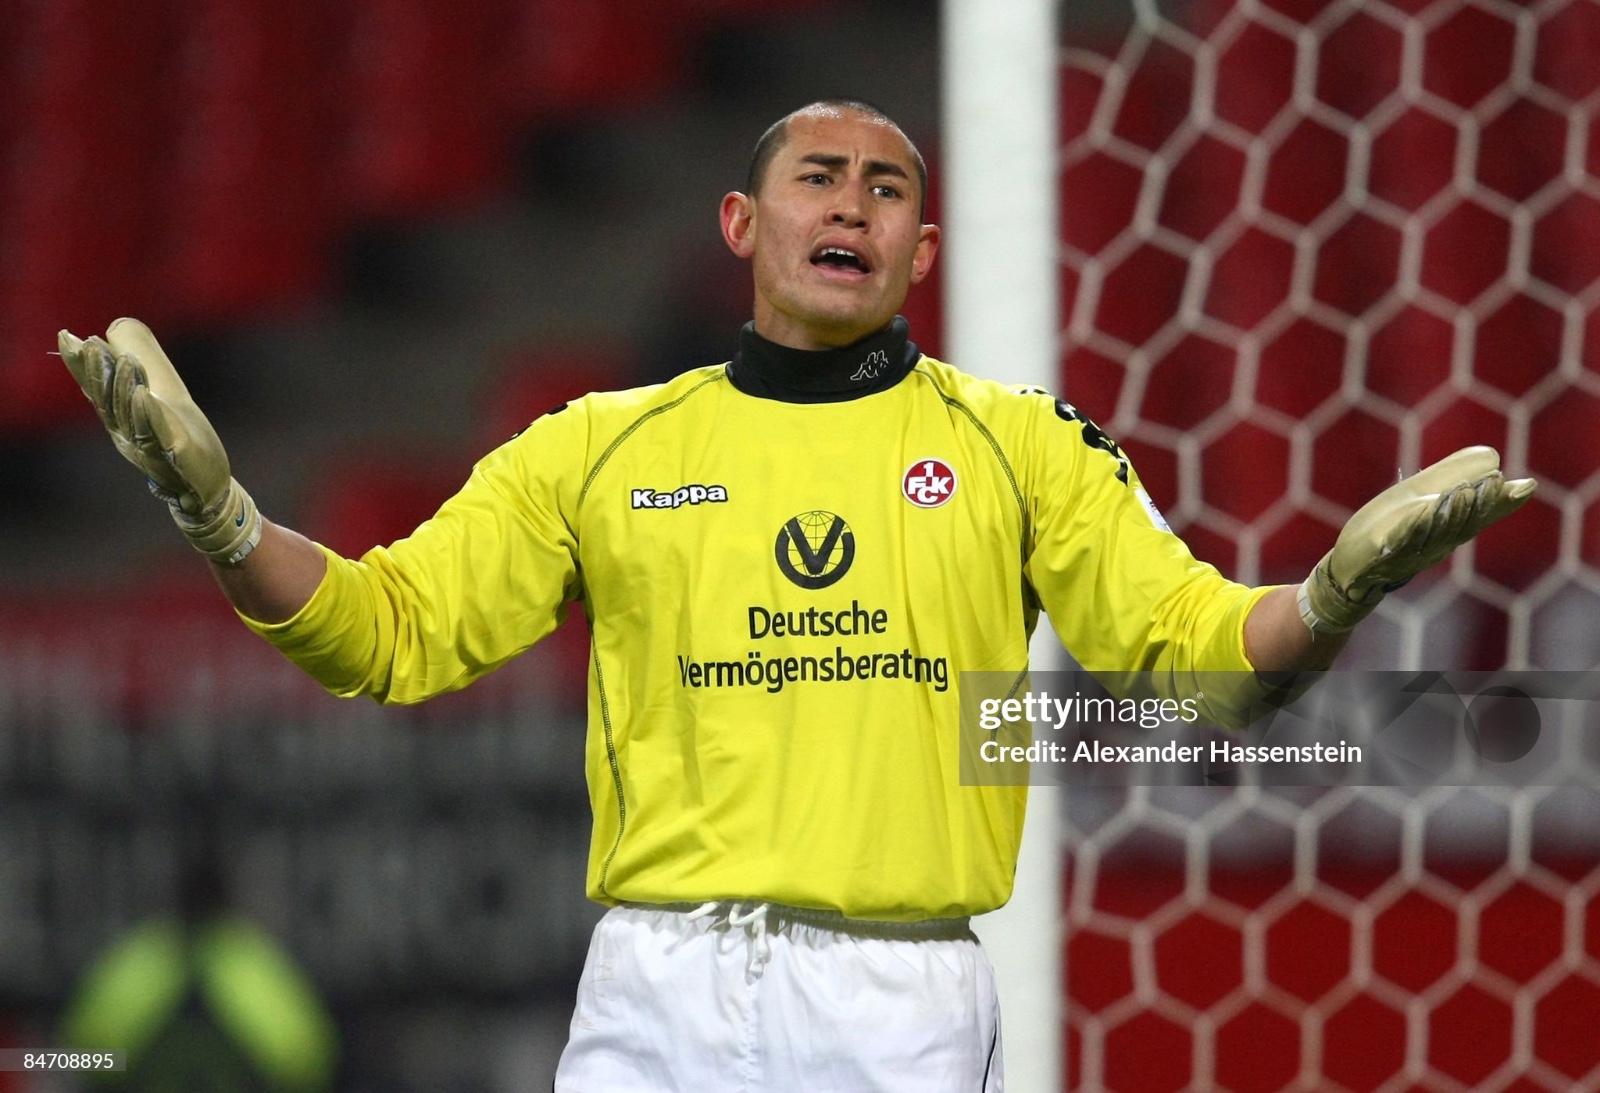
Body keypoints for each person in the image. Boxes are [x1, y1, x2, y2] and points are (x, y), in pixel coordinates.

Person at [57, 99, 1533, 1091]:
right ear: (739, 225)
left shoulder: (1023, 446)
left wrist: (1330, 595)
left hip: (898, 1010)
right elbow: (384, 636)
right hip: (653, 991)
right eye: (817, 179)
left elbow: (1202, 664)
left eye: (887, 190)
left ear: (922, 250)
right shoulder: (600, 446)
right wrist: (220, 516)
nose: (853, 206)